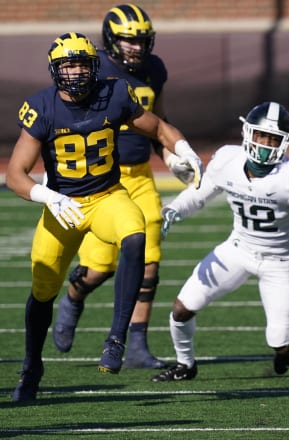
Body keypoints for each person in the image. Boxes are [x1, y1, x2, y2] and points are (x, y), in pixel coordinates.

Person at [7, 32, 203, 402]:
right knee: (43, 285)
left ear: (94, 65)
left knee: (136, 234)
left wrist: (183, 149)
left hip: (107, 195)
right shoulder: (42, 106)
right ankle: (32, 366)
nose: (77, 72)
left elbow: (158, 126)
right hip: (62, 204)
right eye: (68, 65)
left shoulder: (112, 94)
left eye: (82, 63)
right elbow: (16, 173)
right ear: (55, 69)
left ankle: (116, 338)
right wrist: (46, 195)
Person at [151, 101, 289, 382]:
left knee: (280, 343)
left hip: (278, 262)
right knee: (181, 308)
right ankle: (185, 364)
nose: (264, 144)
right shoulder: (228, 160)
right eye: (260, 135)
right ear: (247, 133)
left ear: (285, 143)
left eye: (272, 139)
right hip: (237, 249)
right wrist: (175, 209)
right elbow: (199, 193)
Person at [51, 3, 193, 370]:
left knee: (149, 263)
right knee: (100, 267)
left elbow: (158, 120)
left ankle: (136, 345)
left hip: (142, 174)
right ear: (111, 40)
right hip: (102, 181)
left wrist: (173, 155)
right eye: (128, 40)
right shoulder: (94, 70)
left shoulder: (154, 69)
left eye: (141, 40)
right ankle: (74, 295)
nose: (136, 47)